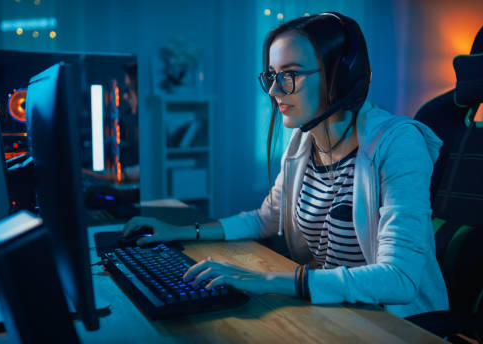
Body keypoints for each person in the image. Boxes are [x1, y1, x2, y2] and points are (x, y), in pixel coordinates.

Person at [123, 12, 449, 318]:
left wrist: (268, 280)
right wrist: (179, 232)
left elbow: (400, 278)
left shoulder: (398, 143)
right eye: (272, 76)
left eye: (290, 74)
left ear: (342, 74)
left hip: (395, 324)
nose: (276, 91)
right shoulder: (301, 144)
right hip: (333, 311)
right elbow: (266, 218)